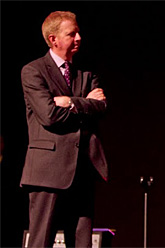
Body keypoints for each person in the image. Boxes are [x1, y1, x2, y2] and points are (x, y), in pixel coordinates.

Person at [20, 11, 108, 247]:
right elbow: (49, 116)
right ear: (53, 39)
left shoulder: (87, 71)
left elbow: (101, 107)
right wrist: (85, 103)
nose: (79, 37)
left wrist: (69, 101)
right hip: (48, 171)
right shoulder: (33, 71)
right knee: (42, 241)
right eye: (72, 33)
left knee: (82, 242)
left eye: (78, 32)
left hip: (82, 168)